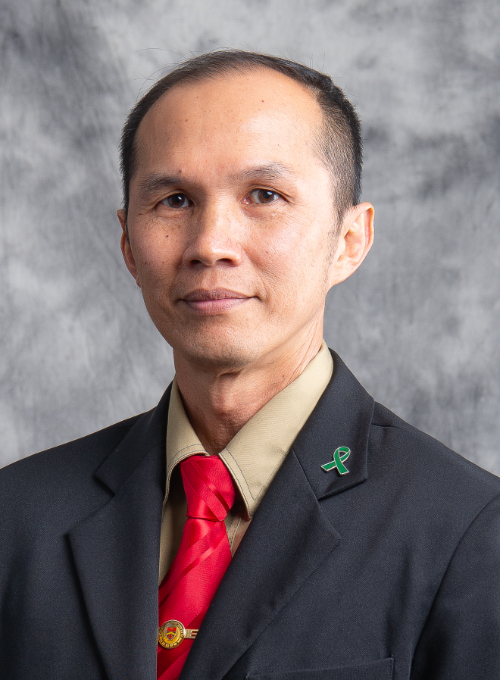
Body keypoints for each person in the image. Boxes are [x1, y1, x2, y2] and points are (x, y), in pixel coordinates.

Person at [0, 50, 499, 680]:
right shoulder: (16, 516)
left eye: (265, 195)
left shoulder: (471, 531)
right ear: (127, 244)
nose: (210, 245)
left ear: (350, 241)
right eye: (175, 200)